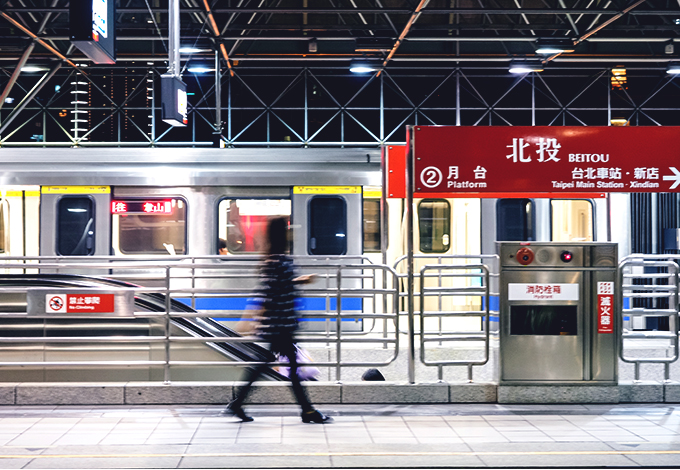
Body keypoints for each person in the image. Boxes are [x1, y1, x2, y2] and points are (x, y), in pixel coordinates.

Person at [225, 216, 332, 424]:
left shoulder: (273, 259)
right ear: (282, 234)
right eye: (288, 229)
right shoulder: (278, 260)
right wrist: (251, 319)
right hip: (280, 324)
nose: (291, 233)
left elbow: (276, 286)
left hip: (278, 323)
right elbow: (269, 292)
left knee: (266, 364)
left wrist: (299, 280)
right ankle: (307, 411)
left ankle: (238, 403)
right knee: (288, 367)